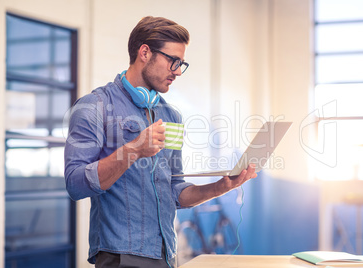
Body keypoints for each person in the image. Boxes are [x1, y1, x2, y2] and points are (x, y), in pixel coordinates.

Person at [64, 16, 257, 268]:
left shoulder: (171, 116)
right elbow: (76, 184)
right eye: (173, 61)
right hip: (120, 255)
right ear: (144, 52)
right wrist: (133, 150)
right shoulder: (94, 106)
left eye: (181, 64)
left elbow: (174, 190)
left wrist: (220, 187)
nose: (177, 71)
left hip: (166, 254)